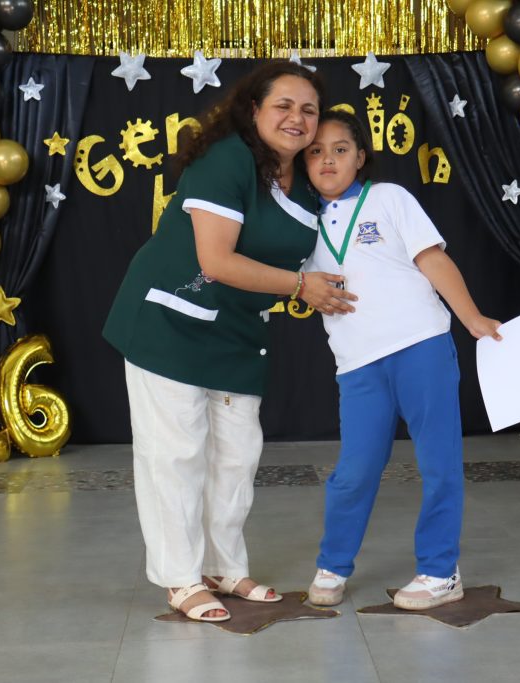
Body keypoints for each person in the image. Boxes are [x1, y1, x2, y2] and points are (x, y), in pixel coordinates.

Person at [102, 62, 356, 623]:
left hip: (238, 331)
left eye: (308, 109)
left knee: (237, 456)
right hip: (168, 323)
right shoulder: (227, 160)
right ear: (254, 110)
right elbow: (215, 261)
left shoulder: (307, 180)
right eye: (283, 106)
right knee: (175, 454)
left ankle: (224, 567)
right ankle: (180, 578)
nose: (296, 118)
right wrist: (301, 286)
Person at [302, 110, 502, 611]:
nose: (328, 160)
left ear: (360, 156)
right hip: (357, 362)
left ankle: (440, 571)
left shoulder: (389, 198)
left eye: (340, 149)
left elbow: (432, 259)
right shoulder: (298, 221)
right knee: (354, 471)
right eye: (316, 152)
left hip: (421, 345)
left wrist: (472, 318)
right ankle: (333, 563)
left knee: (438, 463)